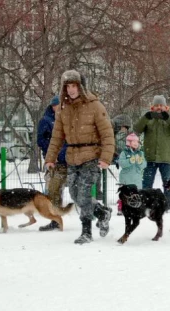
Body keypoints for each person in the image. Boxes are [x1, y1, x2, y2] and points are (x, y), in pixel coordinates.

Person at [45, 70, 115, 244]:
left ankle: (86, 231)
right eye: (68, 86)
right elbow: (57, 136)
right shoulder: (63, 108)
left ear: (81, 86)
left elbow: (107, 133)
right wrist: (50, 158)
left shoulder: (95, 106)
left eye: (74, 86)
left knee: (83, 194)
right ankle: (102, 212)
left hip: (91, 155)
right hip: (72, 156)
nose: (71, 90)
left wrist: (106, 157)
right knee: (75, 194)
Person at [134, 95, 170, 212]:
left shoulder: (169, 120)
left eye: (161, 105)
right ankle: (145, 203)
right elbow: (137, 129)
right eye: (156, 105)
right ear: (152, 107)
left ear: (166, 107)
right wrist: (145, 117)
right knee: (147, 182)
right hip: (149, 157)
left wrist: (168, 118)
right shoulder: (148, 120)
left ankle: (168, 204)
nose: (159, 108)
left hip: (165, 158)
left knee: (167, 182)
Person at [37, 95, 68, 231]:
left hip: (67, 159)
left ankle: (56, 218)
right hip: (54, 160)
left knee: (59, 190)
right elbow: (41, 140)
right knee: (53, 190)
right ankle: (55, 218)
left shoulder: (66, 119)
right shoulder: (47, 120)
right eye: (58, 106)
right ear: (53, 106)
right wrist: (52, 152)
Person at [117, 133, 147, 215]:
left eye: (137, 142)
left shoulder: (141, 153)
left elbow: (144, 165)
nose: (136, 143)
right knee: (124, 193)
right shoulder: (124, 153)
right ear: (129, 143)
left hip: (137, 178)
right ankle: (121, 207)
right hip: (126, 178)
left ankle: (136, 207)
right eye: (134, 142)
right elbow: (121, 163)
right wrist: (130, 161)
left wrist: (140, 162)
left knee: (137, 193)